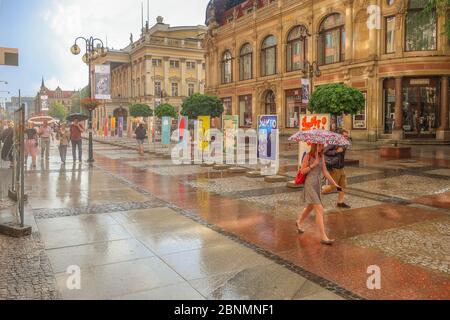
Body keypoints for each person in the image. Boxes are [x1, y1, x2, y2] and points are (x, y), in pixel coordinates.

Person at [296, 143, 341, 246]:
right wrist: (313, 164)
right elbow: (302, 171)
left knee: (310, 207)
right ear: (314, 146)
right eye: (319, 146)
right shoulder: (308, 156)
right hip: (310, 184)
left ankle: (298, 221)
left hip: (317, 184)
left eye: (322, 146)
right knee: (319, 208)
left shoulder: (321, 156)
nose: (321, 147)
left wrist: (334, 183)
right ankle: (323, 237)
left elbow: (325, 172)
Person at [322, 129, 351, 209]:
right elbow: (325, 151)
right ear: (339, 136)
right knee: (333, 187)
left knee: (343, 185)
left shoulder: (344, 143)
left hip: (341, 167)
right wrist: (336, 151)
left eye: (347, 136)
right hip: (334, 168)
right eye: (345, 136)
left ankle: (340, 202)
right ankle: (318, 194)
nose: (346, 137)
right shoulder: (333, 142)